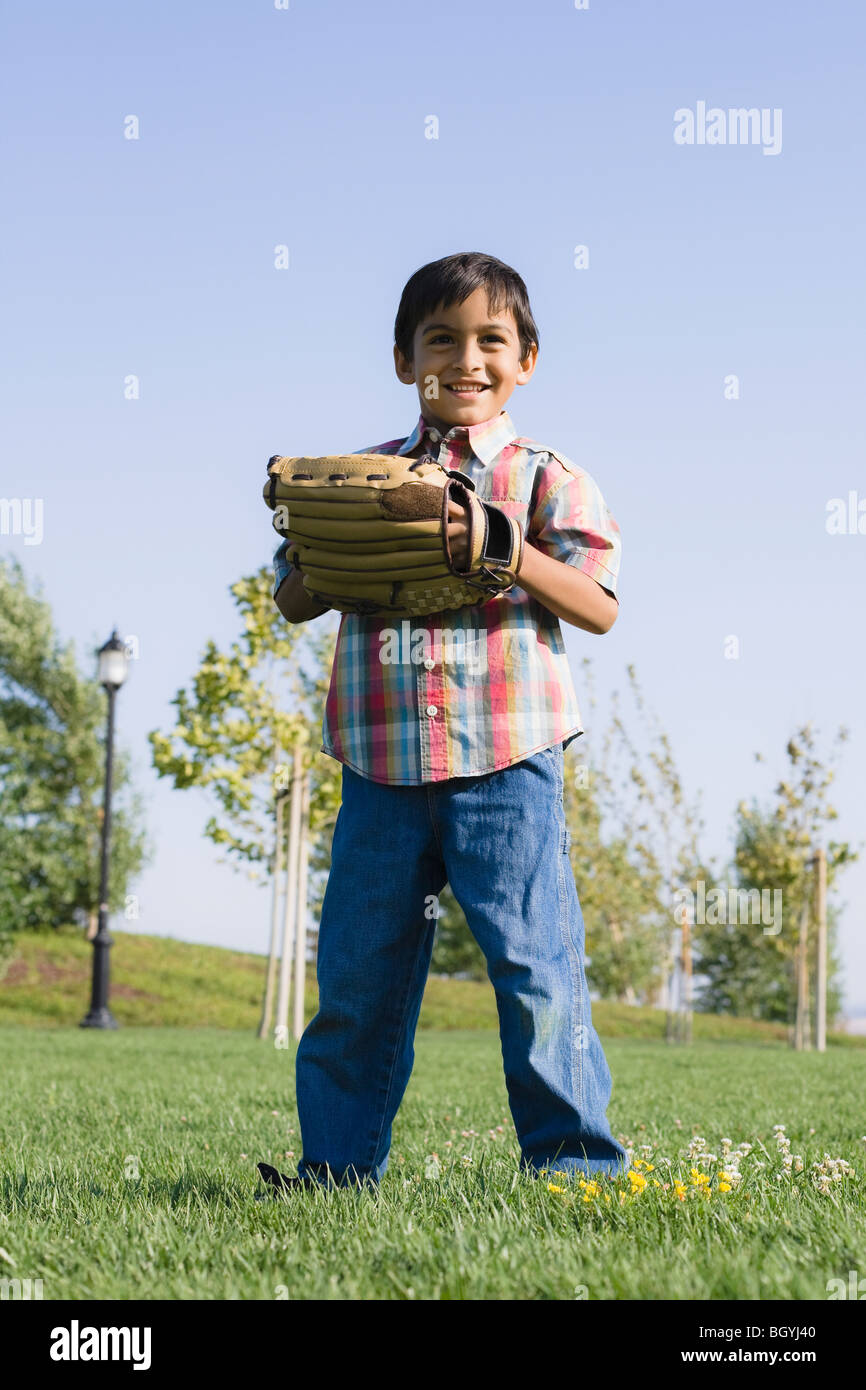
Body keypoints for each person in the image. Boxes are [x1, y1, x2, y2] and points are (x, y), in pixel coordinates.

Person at [258, 251, 630, 1195]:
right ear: (402, 359)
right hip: (381, 768)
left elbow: (597, 605)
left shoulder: (548, 479)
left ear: (528, 359)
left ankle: (575, 1169)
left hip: (509, 761)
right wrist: (308, 530)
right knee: (356, 984)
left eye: (491, 340)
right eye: (441, 340)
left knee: (536, 970)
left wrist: (503, 546)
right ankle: (335, 1173)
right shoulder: (358, 477)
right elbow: (296, 601)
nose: (466, 358)